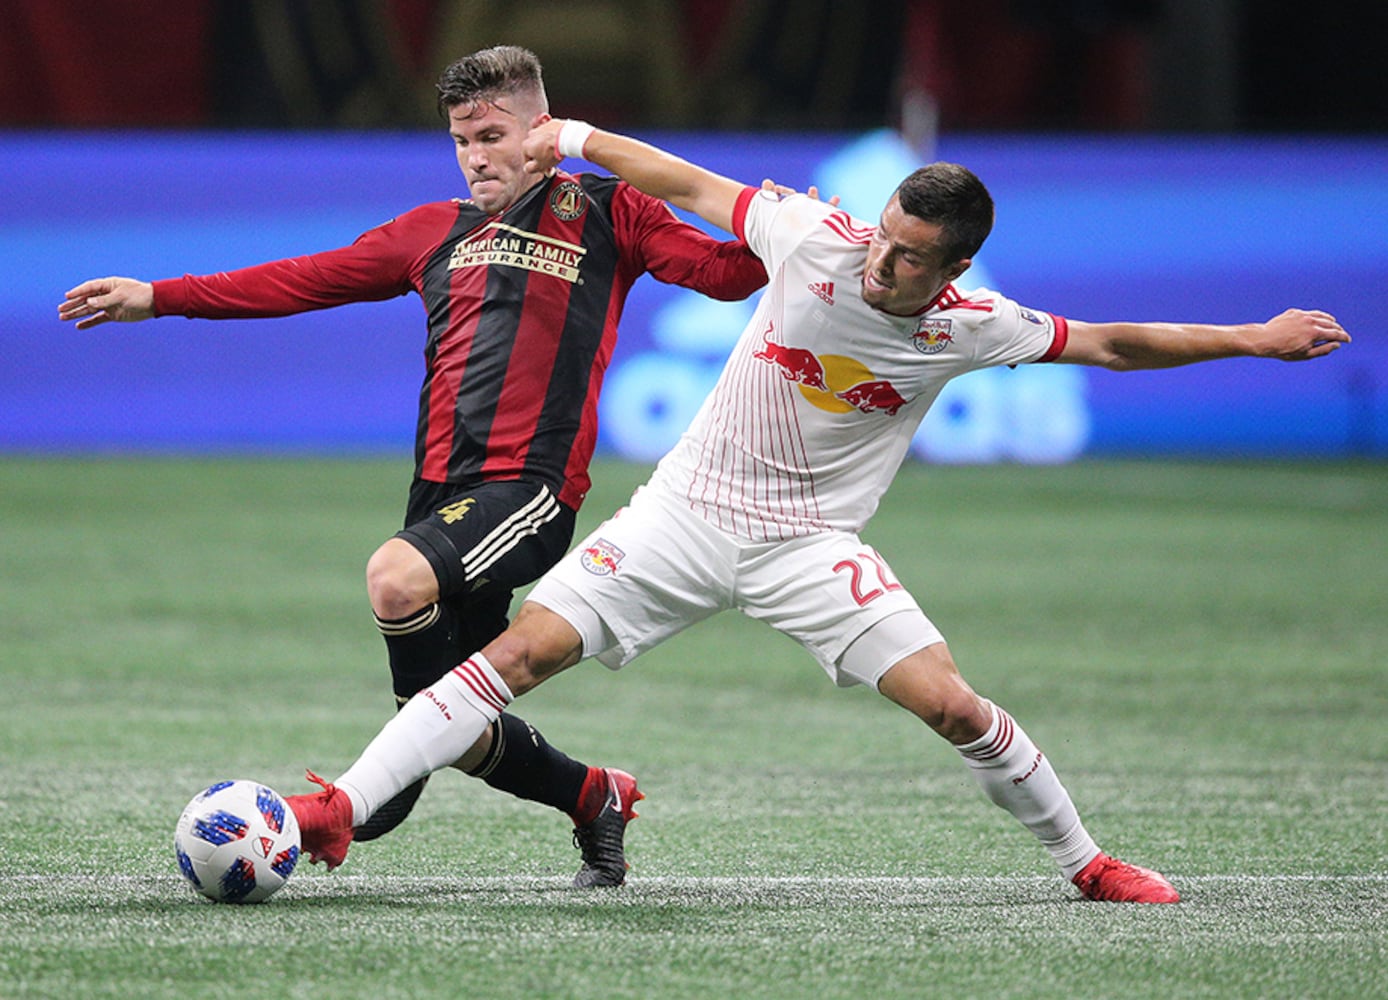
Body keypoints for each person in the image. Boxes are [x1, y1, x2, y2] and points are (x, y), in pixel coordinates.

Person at [276, 117, 1349, 901]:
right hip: (680, 518)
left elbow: (1113, 343)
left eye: (907, 253)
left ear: (955, 266)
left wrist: (1253, 337)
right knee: (515, 658)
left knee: (953, 707)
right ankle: (338, 809)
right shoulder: (813, 237)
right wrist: (582, 134)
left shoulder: (972, 324)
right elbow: (688, 183)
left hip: (808, 546)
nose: (877, 258)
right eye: (880, 234)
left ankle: (1087, 862)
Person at [56, 47, 769, 887]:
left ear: (543, 130)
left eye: (493, 135)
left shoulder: (612, 211)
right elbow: (306, 278)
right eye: (462, 139)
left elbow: (726, 275)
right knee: (456, 720)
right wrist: (160, 294)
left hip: (528, 491)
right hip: (439, 494)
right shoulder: (434, 230)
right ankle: (592, 796)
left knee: (395, 582)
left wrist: (787, 237)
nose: (475, 156)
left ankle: (368, 800)